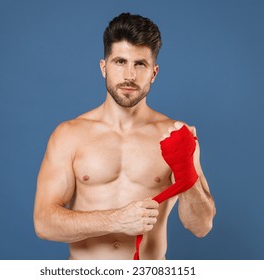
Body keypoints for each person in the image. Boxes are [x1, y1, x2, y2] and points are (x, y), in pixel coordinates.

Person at [33, 12, 216, 260]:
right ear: (103, 67)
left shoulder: (175, 134)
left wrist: (186, 171)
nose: (129, 75)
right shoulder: (69, 135)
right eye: (120, 62)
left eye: (140, 64)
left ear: (154, 72)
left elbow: (201, 226)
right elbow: (44, 223)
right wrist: (116, 220)